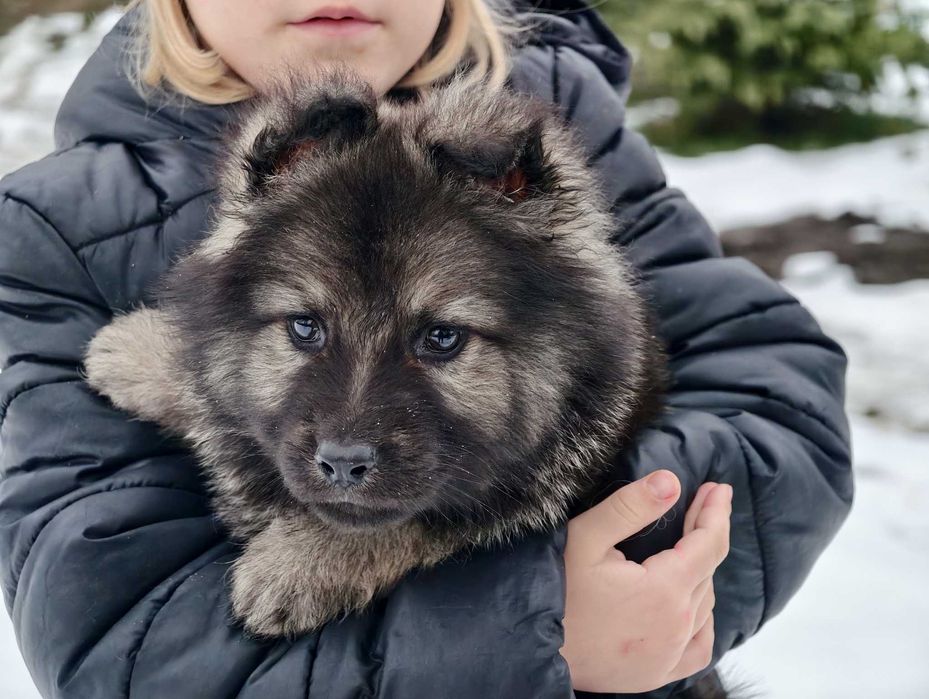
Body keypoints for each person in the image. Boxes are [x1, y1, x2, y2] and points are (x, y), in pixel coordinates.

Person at [0, 0, 852, 697]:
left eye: (441, 338)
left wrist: (531, 569)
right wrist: (538, 635)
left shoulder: (550, 140)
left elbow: (778, 410)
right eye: (304, 328)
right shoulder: (55, 232)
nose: (348, 436)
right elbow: (122, 648)